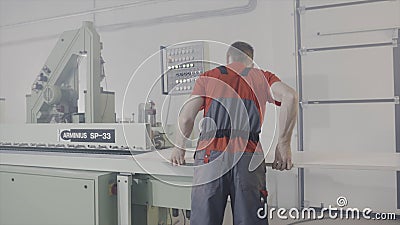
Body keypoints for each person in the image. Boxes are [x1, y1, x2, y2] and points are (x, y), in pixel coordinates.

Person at [170, 41, 298, 225]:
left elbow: (185, 118)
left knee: (204, 219)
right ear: (251, 62)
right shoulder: (261, 77)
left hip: (210, 157)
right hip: (248, 157)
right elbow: (290, 96)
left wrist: (178, 147)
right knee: (250, 219)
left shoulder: (208, 77)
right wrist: (284, 144)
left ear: (227, 59)